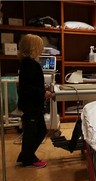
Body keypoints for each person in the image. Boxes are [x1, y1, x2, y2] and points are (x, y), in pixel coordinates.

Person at [16, 34, 52, 168]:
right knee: (35, 132)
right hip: (31, 106)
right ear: (33, 47)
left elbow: (30, 83)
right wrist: (43, 92)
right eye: (41, 46)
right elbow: (27, 87)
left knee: (35, 131)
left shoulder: (28, 63)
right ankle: (29, 159)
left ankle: (24, 156)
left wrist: (42, 89)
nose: (43, 48)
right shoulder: (30, 64)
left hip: (31, 105)